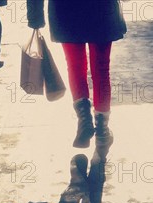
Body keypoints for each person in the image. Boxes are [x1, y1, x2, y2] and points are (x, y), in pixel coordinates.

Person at [27, 0, 126, 150]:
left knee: (75, 66)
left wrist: (35, 15)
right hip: (101, 9)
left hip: (66, 10)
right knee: (101, 68)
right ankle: (102, 129)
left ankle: (84, 119)